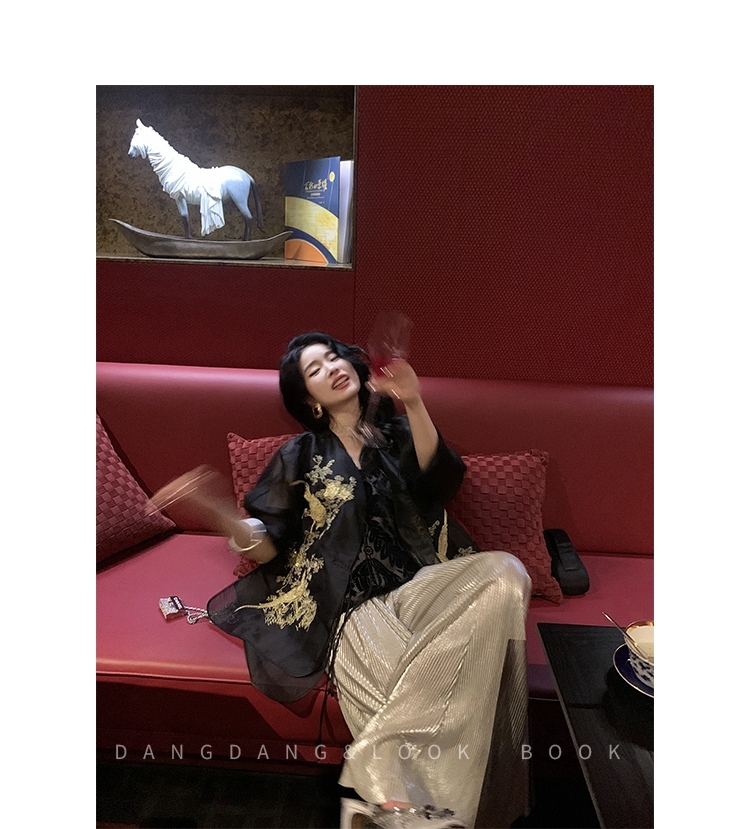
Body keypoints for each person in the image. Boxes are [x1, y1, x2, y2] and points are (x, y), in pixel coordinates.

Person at [153, 332, 532, 829]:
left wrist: (414, 400)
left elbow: (440, 482)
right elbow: (270, 544)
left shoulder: (397, 433)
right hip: (349, 602)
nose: (332, 367)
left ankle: (373, 775)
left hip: (422, 585)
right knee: (410, 680)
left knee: (506, 573)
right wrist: (223, 517)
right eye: (315, 369)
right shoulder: (298, 454)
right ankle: (415, 814)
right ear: (310, 400)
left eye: (334, 357)